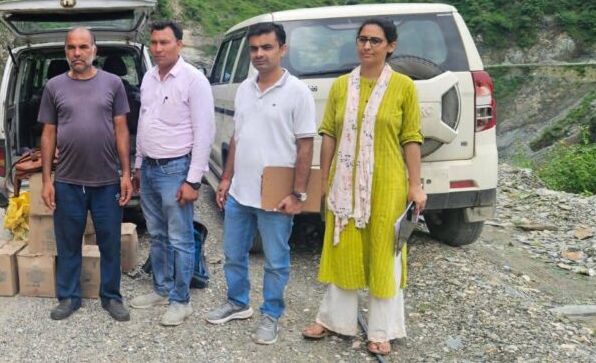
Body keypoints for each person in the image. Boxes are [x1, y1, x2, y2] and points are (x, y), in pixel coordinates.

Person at [300, 19, 425, 356]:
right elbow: (329, 133)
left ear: (391, 46)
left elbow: (411, 138)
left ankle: (382, 330)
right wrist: (323, 180)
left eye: (375, 41)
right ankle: (333, 319)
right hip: (344, 184)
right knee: (344, 247)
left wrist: (415, 185)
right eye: (362, 39)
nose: (367, 46)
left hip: (387, 185)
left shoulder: (403, 87)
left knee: (384, 254)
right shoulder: (342, 86)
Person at [205, 22, 316, 345]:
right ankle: (238, 303)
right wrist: (226, 178)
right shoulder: (244, 88)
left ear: (283, 49)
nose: (259, 54)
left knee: (276, 260)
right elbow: (237, 137)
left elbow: (305, 146)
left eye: (267, 47)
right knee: (233, 254)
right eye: (254, 48)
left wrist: (298, 193)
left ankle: (271, 314)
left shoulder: (297, 92)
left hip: (276, 194)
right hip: (241, 192)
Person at [39, 27, 133, 322]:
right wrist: (47, 180)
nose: (77, 53)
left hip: (107, 181)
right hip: (67, 181)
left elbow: (121, 129)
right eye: (71, 48)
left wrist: (126, 173)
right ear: (65, 51)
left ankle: (112, 297)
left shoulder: (113, 83)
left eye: (83, 47)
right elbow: (48, 133)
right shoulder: (54, 86)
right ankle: (69, 297)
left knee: (110, 243)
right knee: (68, 243)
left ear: (94, 49)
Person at [128, 21, 214, 326]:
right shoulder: (149, 77)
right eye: (153, 42)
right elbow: (144, 123)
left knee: (180, 238)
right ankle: (161, 288)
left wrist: (193, 180)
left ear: (179, 44)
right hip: (150, 169)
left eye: (164, 42)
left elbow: (205, 133)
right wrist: (138, 164)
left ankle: (181, 300)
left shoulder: (194, 80)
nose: (158, 48)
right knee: (158, 234)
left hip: (176, 169)